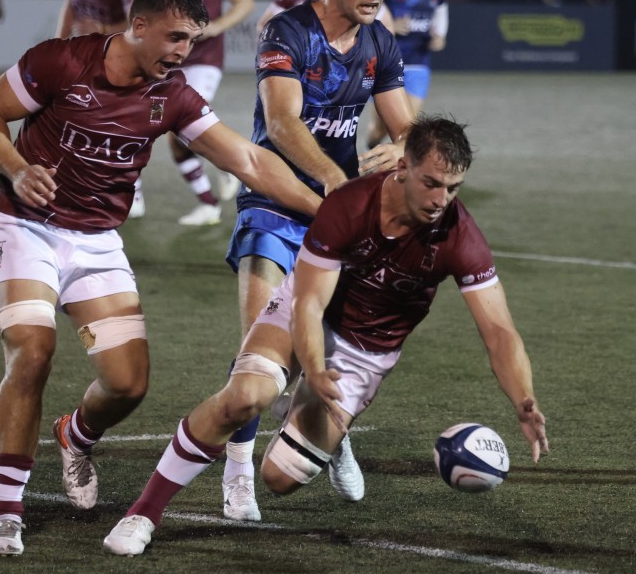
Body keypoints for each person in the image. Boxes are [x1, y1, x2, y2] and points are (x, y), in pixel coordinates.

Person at [0, 0, 321, 557]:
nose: (185, 51)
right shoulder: (61, 61)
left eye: (193, 40)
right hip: (23, 224)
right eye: (177, 37)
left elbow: (249, 159)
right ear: (137, 26)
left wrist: (328, 210)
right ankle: (5, 512)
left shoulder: (173, 94)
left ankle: (75, 435)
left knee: (128, 385)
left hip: (97, 240)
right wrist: (15, 166)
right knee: (32, 347)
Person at [102, 115, 550, 556]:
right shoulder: (349, 206)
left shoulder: (460, 236)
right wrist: (313, 368)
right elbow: (309, 304)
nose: (441, 199)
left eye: (453, 188)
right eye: (431, 183)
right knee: (244, 398)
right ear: (402, 168)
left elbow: (499, 331)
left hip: (366, 352)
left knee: (279, 480)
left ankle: (329, 431)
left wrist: (523, 399)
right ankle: (143, 512)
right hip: (310, 311)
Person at [217, 0, 414, 523]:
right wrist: (334, 179)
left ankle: (333, 434)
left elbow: (407, 125)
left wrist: (403, 146)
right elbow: (280, 123)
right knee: (258, 350)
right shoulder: (287, 30)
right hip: (274, 200)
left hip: (337, 214)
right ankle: (238, 473)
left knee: (322, 344)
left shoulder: (381, 41)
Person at [139, 0, 255, 225]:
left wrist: (217, 25)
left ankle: (231, 167)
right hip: (166, 61)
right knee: (173, 134)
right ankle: (209, 204)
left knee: (179, 124)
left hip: (205, 58)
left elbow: (244, 0)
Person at [55, 0, 146, 218]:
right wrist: (59, 42)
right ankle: (85, 185)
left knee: (118, 124)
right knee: (79, 120)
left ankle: (134, 190)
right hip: (82, 58)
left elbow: (137, 22)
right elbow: (69, 6)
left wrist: (102, 29)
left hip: (117, 58)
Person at [368, 0, 448, 147]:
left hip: (418, 62)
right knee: (381, 127)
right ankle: (371, 146)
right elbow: (367, 6)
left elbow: (441, 11)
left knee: (406, 127)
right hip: (386, 62)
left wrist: (440, 35)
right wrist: (387, 22)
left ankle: (395, 177)